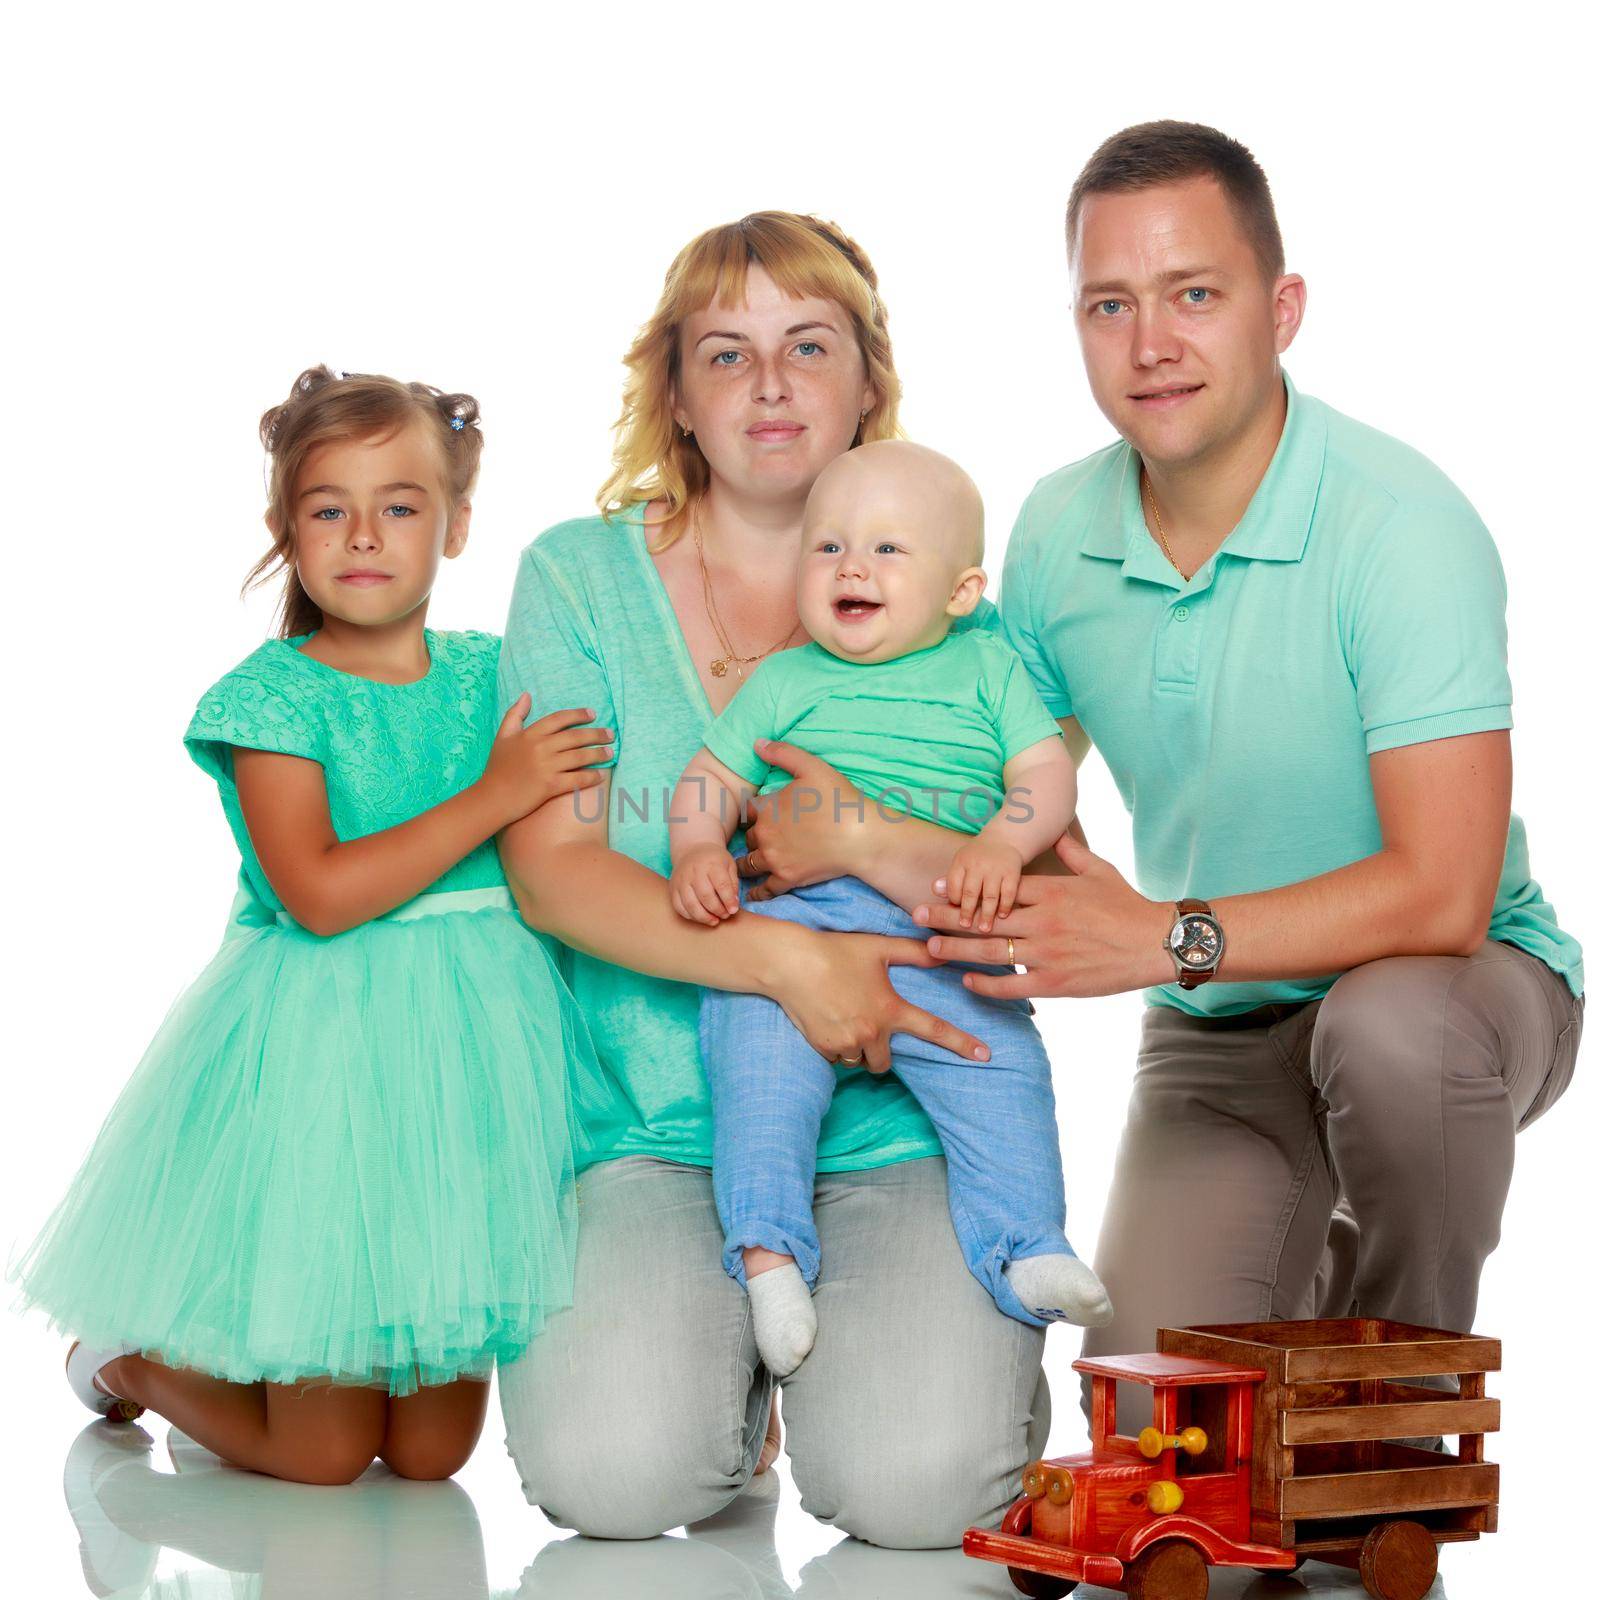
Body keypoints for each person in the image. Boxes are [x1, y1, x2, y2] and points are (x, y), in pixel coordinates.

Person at [803, 123, 1580, 1409]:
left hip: (1460, 992)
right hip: (1219, 1029)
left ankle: (1388, 1401)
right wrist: (854, 835)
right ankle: (1282, 1328)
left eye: (1193, 295)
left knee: (1391, 1032)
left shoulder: (1403, 529)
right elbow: (1010, 797)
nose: (1149, 343)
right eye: (1109, 304)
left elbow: (1443, 894)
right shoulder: (1057, 529)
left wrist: (1161, 933)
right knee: (1147, 1423)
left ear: (1281, 310)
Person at [494, 212, 1048, 1548]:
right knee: (617, 1484)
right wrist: (792, 961)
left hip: (903, 1115)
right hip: (648, 1129)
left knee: (922, 1500)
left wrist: (854, 835)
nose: (773, 383)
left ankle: (920, 1371)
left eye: (809, 345)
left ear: (869, 380)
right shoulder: (575, 579)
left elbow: (1031, 890)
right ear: (675, 395)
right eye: (725, 355)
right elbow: (559, 875)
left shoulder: (965, 610)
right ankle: (732, 1387)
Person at [9, 366, 610, 1483]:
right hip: (329, 1061)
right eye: (329, 507)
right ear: (286, 528)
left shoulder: (496, 674)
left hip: (464, 1066)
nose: (364, 534)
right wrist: (492, 792)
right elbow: (320, 894)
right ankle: (131, 1363)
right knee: (328, 1458)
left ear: (458, 523)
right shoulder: (271, 698)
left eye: (401, 505)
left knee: (433, 1456)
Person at [668, 439, 1111, 1378]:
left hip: (937, 933)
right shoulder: (785, 681)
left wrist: (1003, 842)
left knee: (1002, 1069)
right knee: (756, 1072)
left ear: (960, 594)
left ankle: (1025, 1245)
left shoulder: (987, 671)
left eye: (886, 551)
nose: (851, 568)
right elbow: (708, 777)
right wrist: (699, 845)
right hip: (795, 924)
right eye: (827, 548)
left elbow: (1043, 776)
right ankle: (769, 1255)